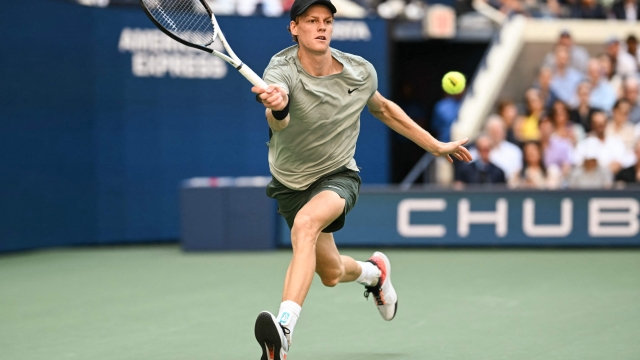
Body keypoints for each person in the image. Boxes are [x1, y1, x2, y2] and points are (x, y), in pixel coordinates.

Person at [251, 1, 473, 358]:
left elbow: (383, 108)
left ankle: (285, 330)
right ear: (294, 28)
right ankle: (375, 274)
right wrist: (277, 106)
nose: (321, 27)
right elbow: (279, 121)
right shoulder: (280, 69)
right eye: (311, 21)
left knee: (305, 227)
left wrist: (435, 145)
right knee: (331, 272)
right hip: (291, 183)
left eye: (327, 21)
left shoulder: (358, 71)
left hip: (337, 174)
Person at [573, 111, 632, 176]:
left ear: (606, 123)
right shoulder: (584, 144)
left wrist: (619, 164)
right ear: (592, 125)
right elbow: (578, 162)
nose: (600, 126)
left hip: (616, 177)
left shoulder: (616, 141)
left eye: (602, 123)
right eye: (597, 123)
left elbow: (626, 159)